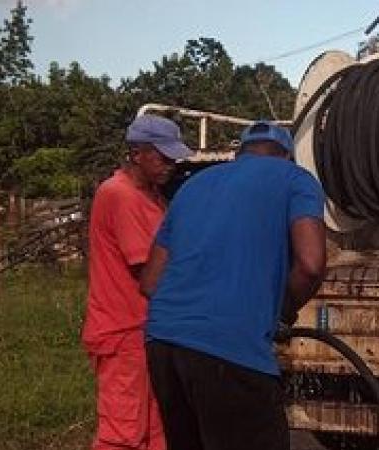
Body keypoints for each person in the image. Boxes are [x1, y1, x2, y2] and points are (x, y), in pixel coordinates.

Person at [140, 121, 326, 450]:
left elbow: (151, 281)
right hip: (231, 349)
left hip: (164, 343)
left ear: (240, 153)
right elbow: (311, 265)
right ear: (287, 156)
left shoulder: (194, 185)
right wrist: (282, 311)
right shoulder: (295, 179)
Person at [83, 114, 193, 450]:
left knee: (155, 430)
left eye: (173, 158)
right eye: (162, 157)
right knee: (124, 432)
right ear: (136, 153)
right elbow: (150, 272)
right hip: (123, 330)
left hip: (146, 329)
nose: (170, 166)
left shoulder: (153, 197)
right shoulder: (121, 195)